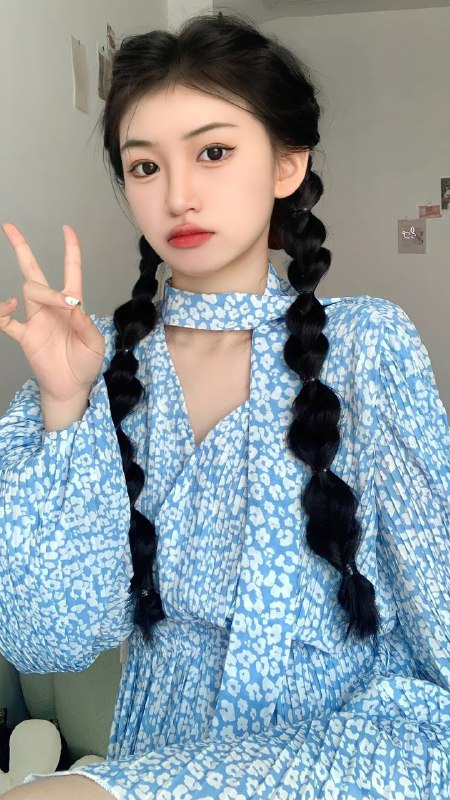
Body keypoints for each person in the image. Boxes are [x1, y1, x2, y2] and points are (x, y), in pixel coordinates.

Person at [0, 11, 449, 800]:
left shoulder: (369, 346)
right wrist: (66, 408)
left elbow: (440, 659)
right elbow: (47, 641)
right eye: (145, 166)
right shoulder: (91, 362)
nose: (179, 196)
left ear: (286, 164)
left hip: (341, 763)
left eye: (213, 152)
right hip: (147, 751)